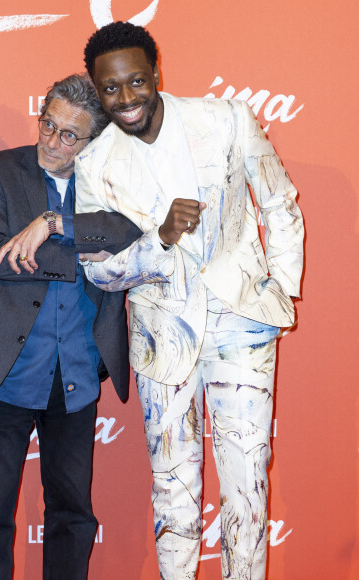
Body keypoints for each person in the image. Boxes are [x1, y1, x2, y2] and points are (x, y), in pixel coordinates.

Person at [74, 22, 304, 580]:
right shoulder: (94, 164)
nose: (125, 98)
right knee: (174, 492)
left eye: (135, 81)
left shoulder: (224, 120)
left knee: (247, 487)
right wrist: (159, 241)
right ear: (96, 89)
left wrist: (279, 289)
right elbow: (98, 270)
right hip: (163, 339)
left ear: (156, 73)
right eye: (110, 88)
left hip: (241, 325)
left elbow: (278, 201)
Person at [0, 74, 142, 580]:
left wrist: (53, 225)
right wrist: (84, 253)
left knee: (72, 514)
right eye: (48, 125)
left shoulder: (110, 180)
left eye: (68, 135)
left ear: (93, 141)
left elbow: (127, 233)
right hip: (4, 372)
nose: (52, 142)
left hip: (76, 374)